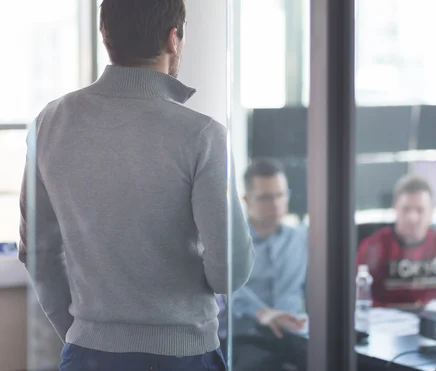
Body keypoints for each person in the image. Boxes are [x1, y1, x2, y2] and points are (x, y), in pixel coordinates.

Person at [18, 1, 255, 370]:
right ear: (173, 39)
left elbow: (37, 251)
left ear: (105, 36)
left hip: (85, 356)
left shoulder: (49, 123)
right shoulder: (202, 135)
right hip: (181, 356)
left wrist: (80, 333)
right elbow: (230, 272)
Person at [231, 158, 308, 371]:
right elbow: (227, 289)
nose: (275, 204)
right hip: (247, 338)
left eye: (280, 195)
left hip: (295, 336)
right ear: (247, 200)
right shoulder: (231, 242)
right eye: (266, 198)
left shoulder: (300, 239)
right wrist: (263, 313)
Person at [357, 175, 436, 308]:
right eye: (406, 209)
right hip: (388, 323)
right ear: (395, 208)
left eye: (420, 210)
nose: (412, 218)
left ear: (432, 211)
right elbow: (356, 295)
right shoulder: (374, 246)